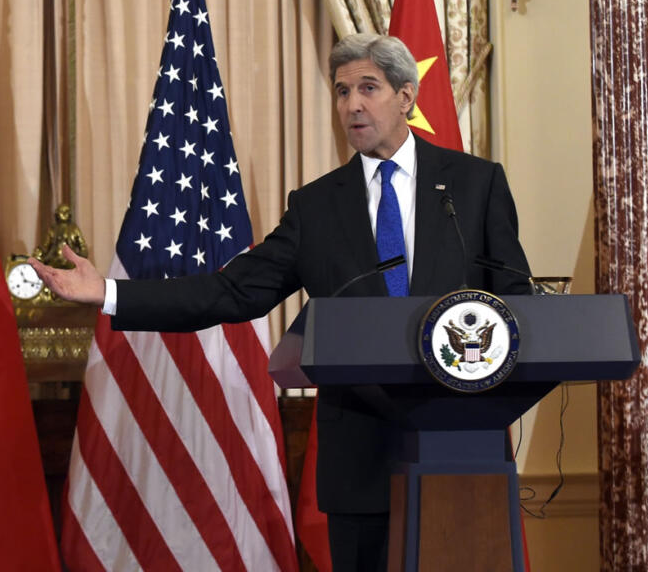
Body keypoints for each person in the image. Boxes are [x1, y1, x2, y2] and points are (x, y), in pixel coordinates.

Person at [29, 33, 531, 572]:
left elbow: (516, 299)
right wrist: (108, 293)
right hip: (360, 461)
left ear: (406, 96)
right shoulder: (317, 206)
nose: (352, 104)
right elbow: (232, 290)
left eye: (368, 88)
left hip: (461, 447)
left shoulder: (474, 186)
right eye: (341, 92)